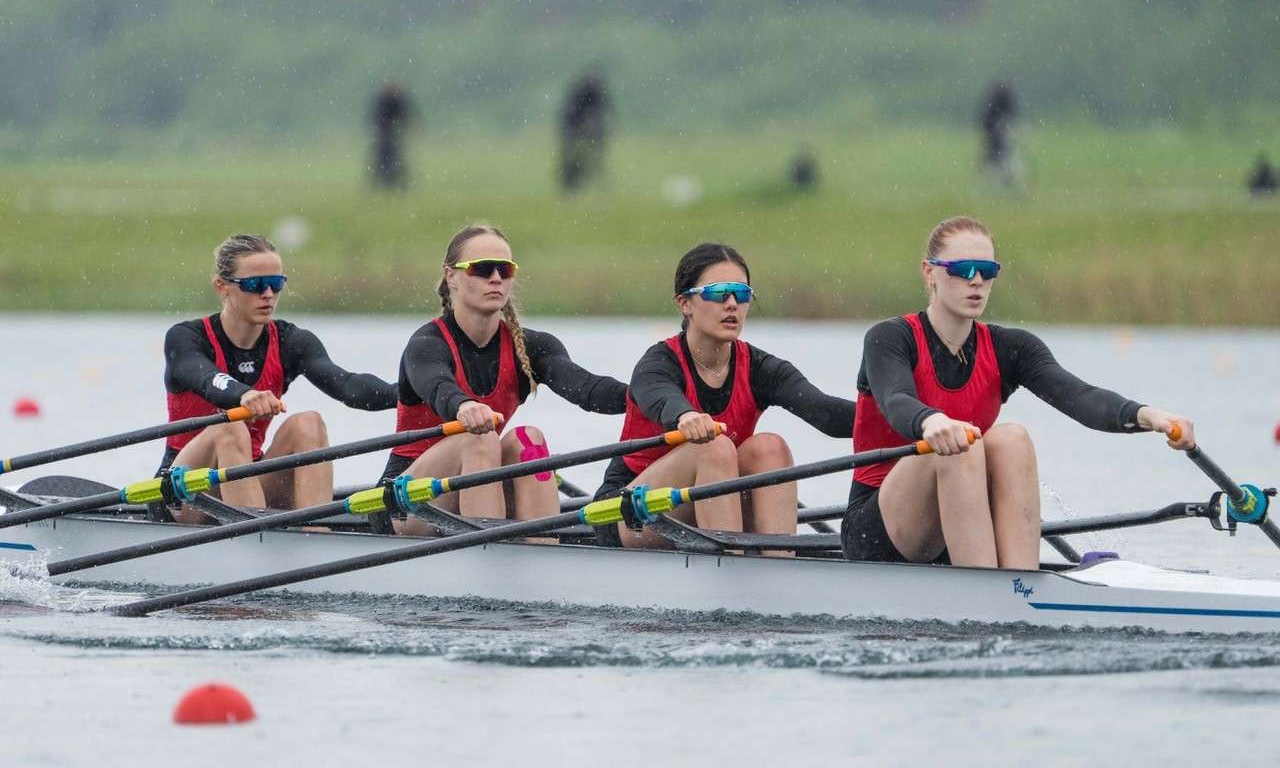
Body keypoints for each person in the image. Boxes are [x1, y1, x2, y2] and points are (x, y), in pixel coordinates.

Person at [842, 216, 1196, 569]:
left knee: (1012, 438)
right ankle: (988, 593)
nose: (976, 280)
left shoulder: (1011, 348)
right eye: (963, 268)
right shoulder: (889, 338)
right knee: (962, 444)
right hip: (878, 530)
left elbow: (1080, 396)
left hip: (960, 521)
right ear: (929, 272)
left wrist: (1150, 416)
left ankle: (1019, 583)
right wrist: (930, 420)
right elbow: (895, 401)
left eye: (987, 270)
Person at [593, 243, 854, 557]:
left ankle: (779, 566)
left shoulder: (762, 369)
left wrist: (914, 418)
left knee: (769, 446)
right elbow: (660, 398)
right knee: (714, 446)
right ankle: (731, 569)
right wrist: (685, 416)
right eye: (718, 293)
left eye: (741, 294)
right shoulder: (657, 364)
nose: (732, 304)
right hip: (630, 511)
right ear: (685, 303)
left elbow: (826, 413)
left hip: (709, 505)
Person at [378, 223, 627, 537]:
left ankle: (542, 554)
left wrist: (647, 398)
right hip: (405, 505)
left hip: (478, 488)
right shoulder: (427, 344)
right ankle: (491, 560)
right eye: (482, 269)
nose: (496, 278)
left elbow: (586, 388)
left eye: (505, 270)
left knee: (528, 438)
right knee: (480, 439)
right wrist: (463, 405)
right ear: (451, 276)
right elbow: (438, 386)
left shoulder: (534, 346)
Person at [159, 234, 397, 523]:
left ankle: (315, 541)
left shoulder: (290, 341)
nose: (268, 294)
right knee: (230, 428)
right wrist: (243, 394)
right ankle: (257, 540)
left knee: (308, 422)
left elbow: (346, 385)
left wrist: (413, 392)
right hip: (183, 492)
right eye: (254, 285)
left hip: (246, 483)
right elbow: (208, 378)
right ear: (221, 287)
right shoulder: (186, 338)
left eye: (276, 284)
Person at [559, 70, 611, 192]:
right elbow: (572, 113)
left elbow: (603, 110)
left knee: (579, 155)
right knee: (572, 155)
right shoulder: (582, 92)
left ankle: (584, 175)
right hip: (573, 122)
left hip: (578, 124)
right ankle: (572, 180)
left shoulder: (594, 92)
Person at [370, 80, 418, 190]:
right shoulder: (383, 101)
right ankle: (381, 183)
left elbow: (405, 115)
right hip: (384, 135)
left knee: (394, 160)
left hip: (392, 135)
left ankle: (396, 183)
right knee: (382, 160)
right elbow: (377, 118)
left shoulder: (396, 101)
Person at [978, 81, 1021, 188]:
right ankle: (996, 179)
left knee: (1000, 155)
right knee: (995, 156)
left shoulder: (1002, 101)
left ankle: (1002, 178)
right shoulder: (995, 102)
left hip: (998, 131)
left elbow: (1012, 114)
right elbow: (988, 119)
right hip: (992, 132)